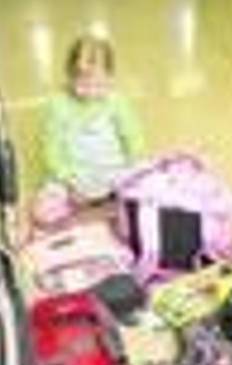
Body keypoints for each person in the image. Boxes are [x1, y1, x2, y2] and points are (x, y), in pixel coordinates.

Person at [34, 35, 148, 227]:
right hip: (75, 177)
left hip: (112, 175)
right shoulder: (58, 105)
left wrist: (133, 170)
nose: (90, 91)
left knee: (146, 196)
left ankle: (103, 206)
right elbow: (51, 150)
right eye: (82, 83)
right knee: (42, 213)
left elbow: (134, 138)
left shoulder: (116, 101)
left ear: (110, 77)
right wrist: (69, 183)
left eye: (99, 84)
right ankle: (101, 209)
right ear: (69, 76)